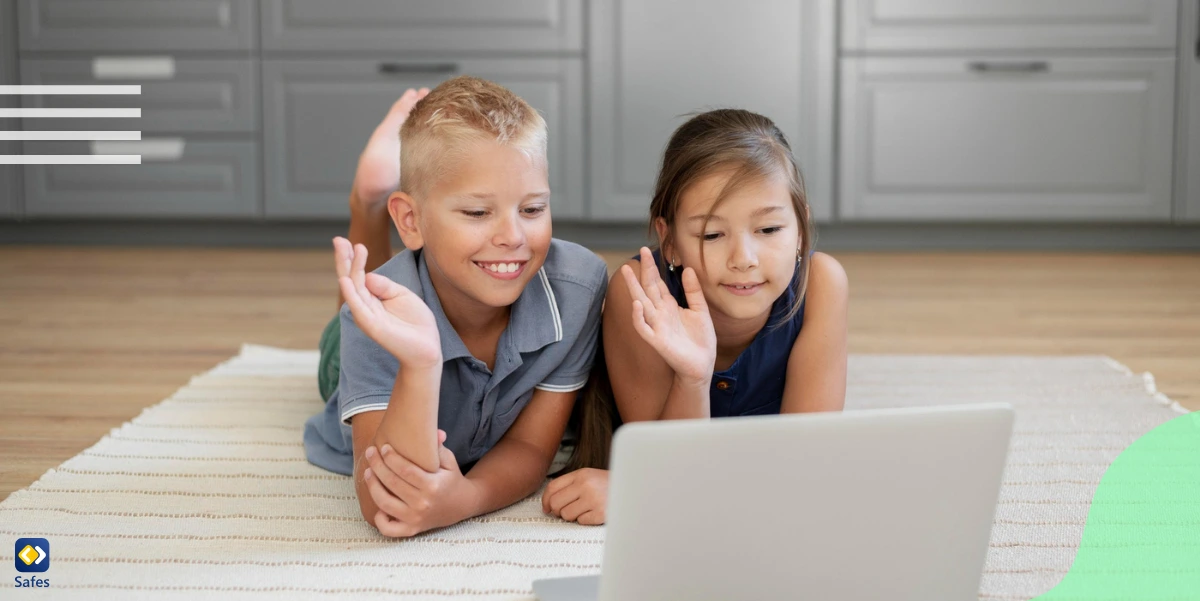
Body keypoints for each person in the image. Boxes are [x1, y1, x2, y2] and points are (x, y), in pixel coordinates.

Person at [303, 76, 608, 538]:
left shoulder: (577, 291)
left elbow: (530, 445)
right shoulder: (372, 322)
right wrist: (421, 362)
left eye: (532, 209)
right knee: (353, 311)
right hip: (375, 327)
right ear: (410, 219)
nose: (513, 237)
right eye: (477, 213)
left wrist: (467, 498)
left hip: (413, 288)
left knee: (371, 292)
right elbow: (384, 504)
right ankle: (367, 203)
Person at [542, 109, 849, 526]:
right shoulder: (638, 292)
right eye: (711, 235)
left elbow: (805, 467)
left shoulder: (822, 284)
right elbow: (669, 464)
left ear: (801, 228)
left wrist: (639, 492)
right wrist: (692, 377)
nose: (744, 260)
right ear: (668, 241)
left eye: (770, 230)